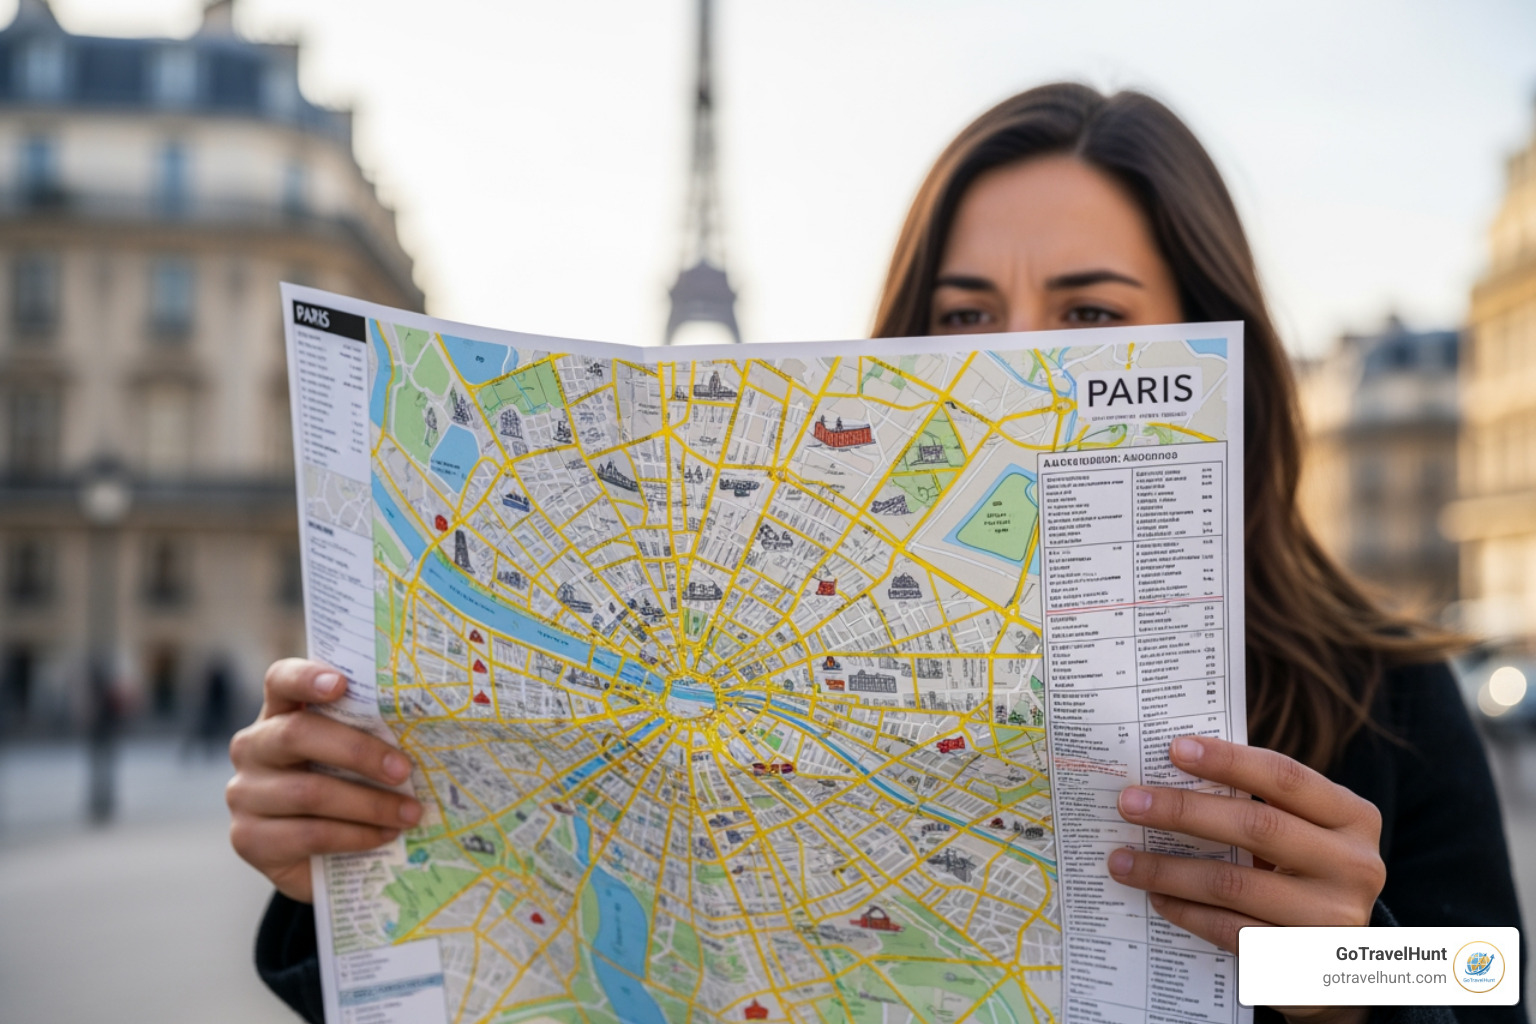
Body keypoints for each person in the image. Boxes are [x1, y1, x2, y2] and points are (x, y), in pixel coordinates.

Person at [229, 83, 1525, 1024]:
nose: (1016, 361)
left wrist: (1353, 971)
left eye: (1088, 315)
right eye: (965, 317)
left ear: (1208, 342)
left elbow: (1486, 980)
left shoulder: (1383, 692)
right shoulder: (757, 656)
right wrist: (343, 880)